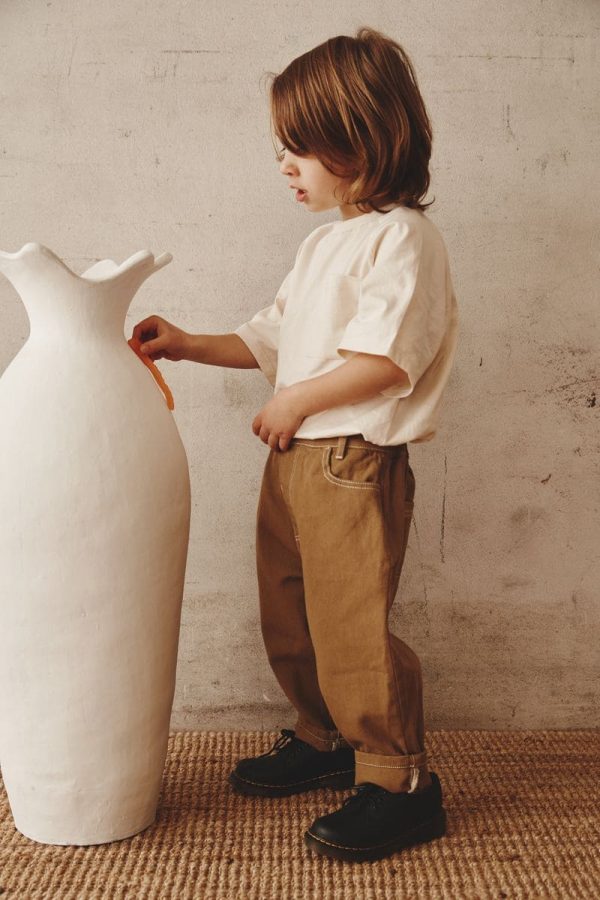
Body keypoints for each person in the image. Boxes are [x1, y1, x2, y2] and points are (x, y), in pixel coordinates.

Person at [132, 26, 459, 863]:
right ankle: (325, 738)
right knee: (292, 611)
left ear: (364, 139)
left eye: (302, 149)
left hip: (351, 459)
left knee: (351, 623)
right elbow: (272, 336)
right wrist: (189, 342)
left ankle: (398, 781)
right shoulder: (324, 243)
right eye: (285, 149)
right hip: (296, 457)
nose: (287, 165)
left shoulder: (402, 241)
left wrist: (299, 401)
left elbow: (387, 360)